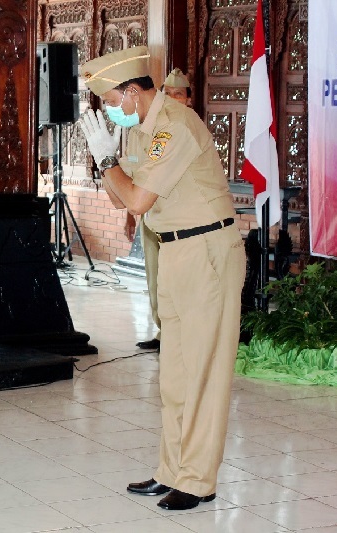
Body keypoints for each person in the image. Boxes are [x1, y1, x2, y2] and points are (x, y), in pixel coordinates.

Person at [79, 46, 245, 511]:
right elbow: (121, 200)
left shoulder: (175, 126)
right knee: (175, 372)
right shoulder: (141, 131)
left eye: (112, 99)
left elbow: (136, 201)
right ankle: (172, 469)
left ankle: (197, 479)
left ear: (133, 92)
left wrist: (108, 163)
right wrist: (103, 159)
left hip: (206, 251)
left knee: (203, 371)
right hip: (174, 250)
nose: (110, 109)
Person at [128, 67, 193, 352]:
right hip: (151, 215)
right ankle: (162, 330)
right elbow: (135, 176)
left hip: (181, 217)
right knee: (154, 275)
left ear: (189, 99)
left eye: (178, 94)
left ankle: (180, 332)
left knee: (179, 277)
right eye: (168, 94)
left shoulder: (188, 127)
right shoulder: (145, 130)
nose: (173, 98)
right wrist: (130, 216)